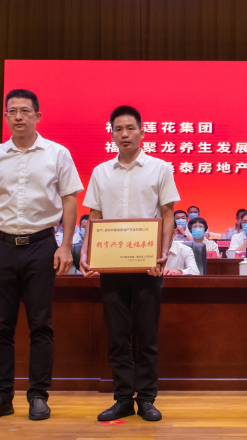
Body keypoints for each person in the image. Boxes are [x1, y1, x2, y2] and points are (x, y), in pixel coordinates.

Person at [0, 88, 83, 422]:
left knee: (40, 325)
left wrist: (65, 245)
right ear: (6, 116)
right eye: (12, 111)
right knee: (0, 325)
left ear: (37, 116)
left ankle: (38, 395)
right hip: (1, 247)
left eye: (25, 111)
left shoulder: (57, 154)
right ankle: (2, 396)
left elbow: (70, 201)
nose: (18, 117)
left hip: (41, 246)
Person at [79, 105, 178, 422]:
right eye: (118, 129)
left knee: (147, 335)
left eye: (130, 128)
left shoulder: (160, 168)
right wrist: (87, 253)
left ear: (142, 132)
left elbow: (167, 214)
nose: (124, 134)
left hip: (147, 265)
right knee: (118, 335)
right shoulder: (100, 172)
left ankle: (146, 398)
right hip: (111, 265)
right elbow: (94, 216)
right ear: (111, 134)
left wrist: (163, 252)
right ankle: (123, 398)